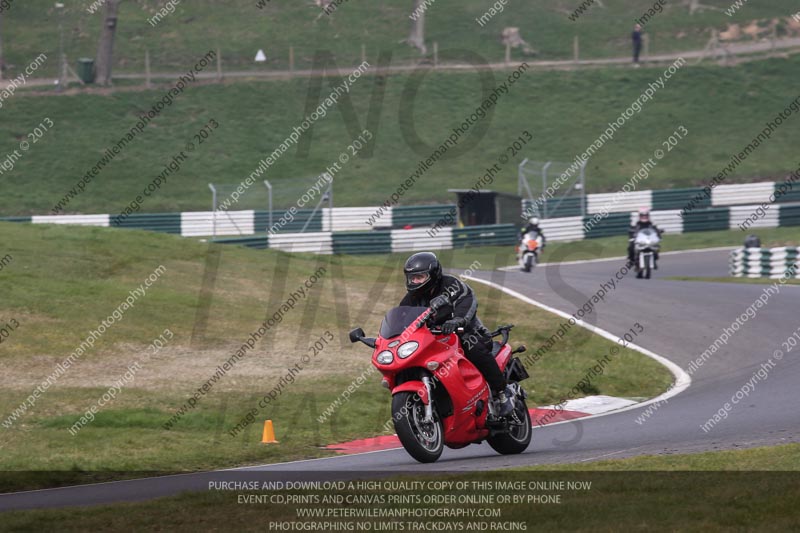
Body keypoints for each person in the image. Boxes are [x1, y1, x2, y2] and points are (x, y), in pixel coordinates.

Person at [400, 252, 514, 416]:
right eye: (412, 278)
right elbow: (402, 318)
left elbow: (467, 301)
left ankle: (503, 393)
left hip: (468, 332)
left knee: (472, 347)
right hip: (435, 340)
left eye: (420, 277)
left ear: (433, 274)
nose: (415, 281)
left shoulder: (451, 285)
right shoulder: (411, 298)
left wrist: (458, 320)